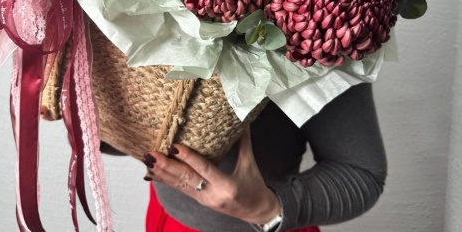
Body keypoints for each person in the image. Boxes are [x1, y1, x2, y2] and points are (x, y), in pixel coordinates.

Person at [142, 82, 387, 232]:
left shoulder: (326, 18)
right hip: (165, 217)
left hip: (266, 225)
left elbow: (360, 171)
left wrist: (266, 209)